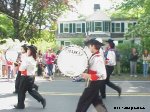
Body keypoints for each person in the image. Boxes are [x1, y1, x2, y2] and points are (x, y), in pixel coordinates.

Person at [76, 38, 107, 112]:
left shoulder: (97, 58)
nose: (89, 47)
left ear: (93, 46)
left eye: (89, 46)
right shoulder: (94, 56)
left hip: (94, 83)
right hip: (92, 82)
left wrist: (89, 76)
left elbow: (103, 75)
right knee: (97, 102)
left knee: (82, 102)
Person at [14, 45, 46, 109]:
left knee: (21, 91)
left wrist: (18, 65)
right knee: (31, 90)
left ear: (31, 51)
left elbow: (22, 69)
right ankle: (42, 99)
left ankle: (20, 105)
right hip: (31, 76)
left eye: (28, 50)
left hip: (25, 77)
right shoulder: (33, 58)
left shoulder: (28, 59)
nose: (27, 51)